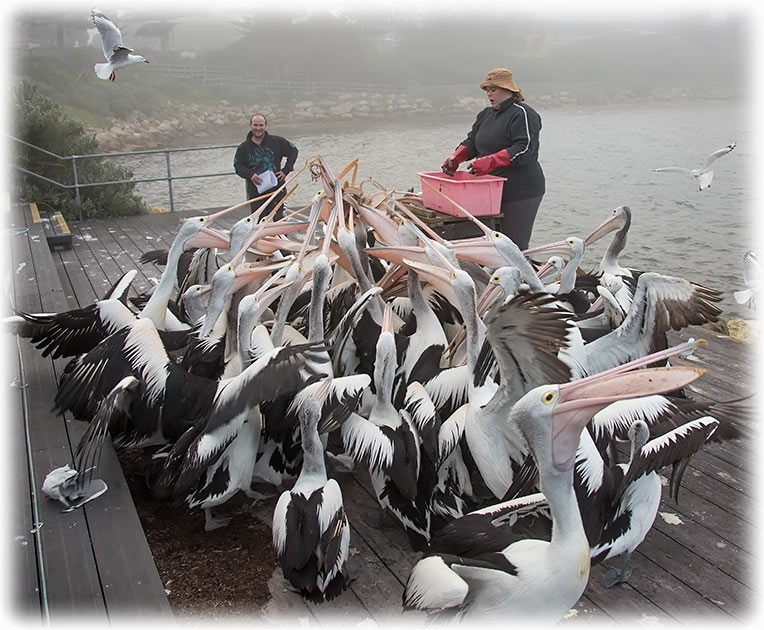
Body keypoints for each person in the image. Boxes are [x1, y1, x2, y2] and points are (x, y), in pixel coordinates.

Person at [441, 68, 545, 250]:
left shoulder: (523, 114)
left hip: (520, 191)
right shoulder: (486, 115)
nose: (489, 94)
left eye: (493, 89)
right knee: (491, 243)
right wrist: (457, 156)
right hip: (489, 190)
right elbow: (473, 141)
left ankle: (521, 275)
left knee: (514, 246)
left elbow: (525, 149)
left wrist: (490, 161)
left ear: (508, 90)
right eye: (487, 90)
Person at [234, 113, 298, 219]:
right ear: (250, 126)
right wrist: (250, 175)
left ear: (265, 125)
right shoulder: (243, 148)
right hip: (256, 193)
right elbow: (238, 166)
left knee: (278, 222)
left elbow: (293, 151)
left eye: (261, 125)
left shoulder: (277, 141)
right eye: (255, 125)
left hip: (277, 190)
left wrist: (286, 170)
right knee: (259, 223)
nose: (258, 128)